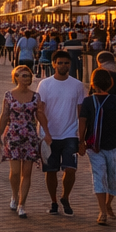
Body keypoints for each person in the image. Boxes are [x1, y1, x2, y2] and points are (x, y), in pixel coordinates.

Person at [78, 68, 116, 226]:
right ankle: (103, 210)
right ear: (110, 83)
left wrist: (81, 142)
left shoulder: (113, 100)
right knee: (105, 176)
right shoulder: (95, 101)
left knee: (108, 177)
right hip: (103, 145)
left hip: (101, 144)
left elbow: (82, 123)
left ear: (92, 83)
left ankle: (106, 206)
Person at [0, 64, 48, 219]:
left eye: (29, 76)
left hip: (30, 136)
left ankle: (22, 204)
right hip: (13, 135)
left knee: (27, 172)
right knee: (15, 172)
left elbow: (40, 115)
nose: (27, 79)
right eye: (23, 76)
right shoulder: (9, 95)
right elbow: (4, 115)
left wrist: (47, 133)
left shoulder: (36, 96)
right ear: (16, 77)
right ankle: (14, 195)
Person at [37, 50, 85, 216]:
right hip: (49, 134)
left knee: (70, 169)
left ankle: (65, 196)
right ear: (54, 64)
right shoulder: (45, 84)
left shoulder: (77, 85)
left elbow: (81, 112)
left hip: (70, 134)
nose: (64, 66)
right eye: (60, 63)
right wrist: (45, 133)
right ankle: (54, 201)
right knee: (50, 171)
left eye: (66, 63)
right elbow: (40, 109)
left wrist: (82, 137)